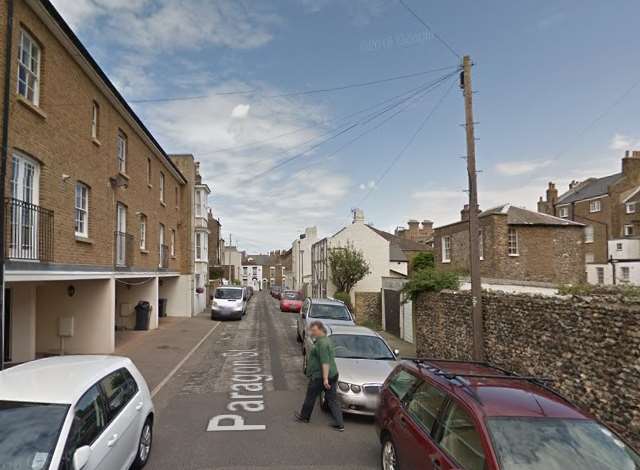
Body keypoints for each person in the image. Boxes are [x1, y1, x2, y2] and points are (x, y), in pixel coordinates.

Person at [294, 321, 344, 431]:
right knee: (332, 399)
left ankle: (304, 417)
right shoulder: (325, 340)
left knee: (310, 396)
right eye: (311, 330)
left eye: (314, 330)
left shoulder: (322, 343)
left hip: (321, 376)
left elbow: (325, 362)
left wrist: (325, 379)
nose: (312, 332)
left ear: (321, 329)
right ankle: (339, 423)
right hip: (332, 374)